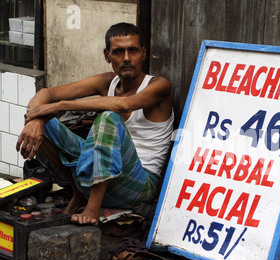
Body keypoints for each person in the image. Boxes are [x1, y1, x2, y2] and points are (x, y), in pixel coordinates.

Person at [16, 22, 174, 226]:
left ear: (143, 53)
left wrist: (58, 106)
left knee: (109, 118)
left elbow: (124, 104)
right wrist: (35, 119)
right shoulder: (107, 82)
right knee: (42, 120)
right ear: (107, 56)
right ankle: (78, 193)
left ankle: (92, 207)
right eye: (118, 52)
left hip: (140, 186)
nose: (126, 58)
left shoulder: (159, 85)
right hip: (102, 179)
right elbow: (46, 93)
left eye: (133, 50)